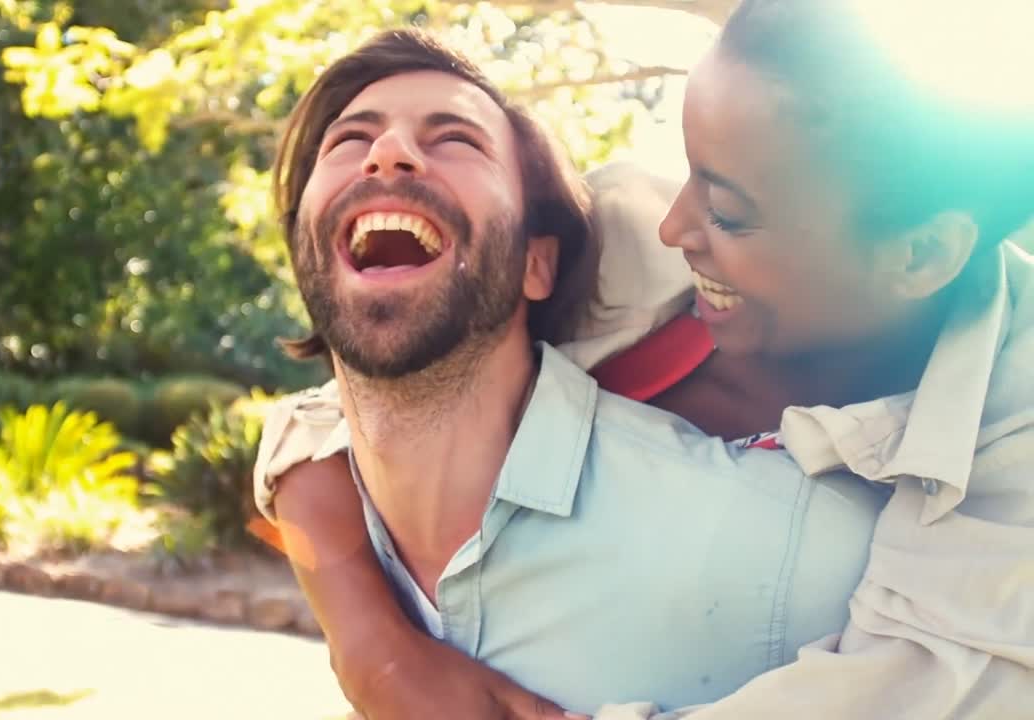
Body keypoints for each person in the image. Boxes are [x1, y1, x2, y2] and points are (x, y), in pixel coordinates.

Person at [256, 2, 1034, 718]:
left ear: (923, 254)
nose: (673, 224)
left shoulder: (1007, 479)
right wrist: (374, 649)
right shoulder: (618, 248)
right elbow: (350, 399)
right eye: (688, 168)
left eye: (728, 211)